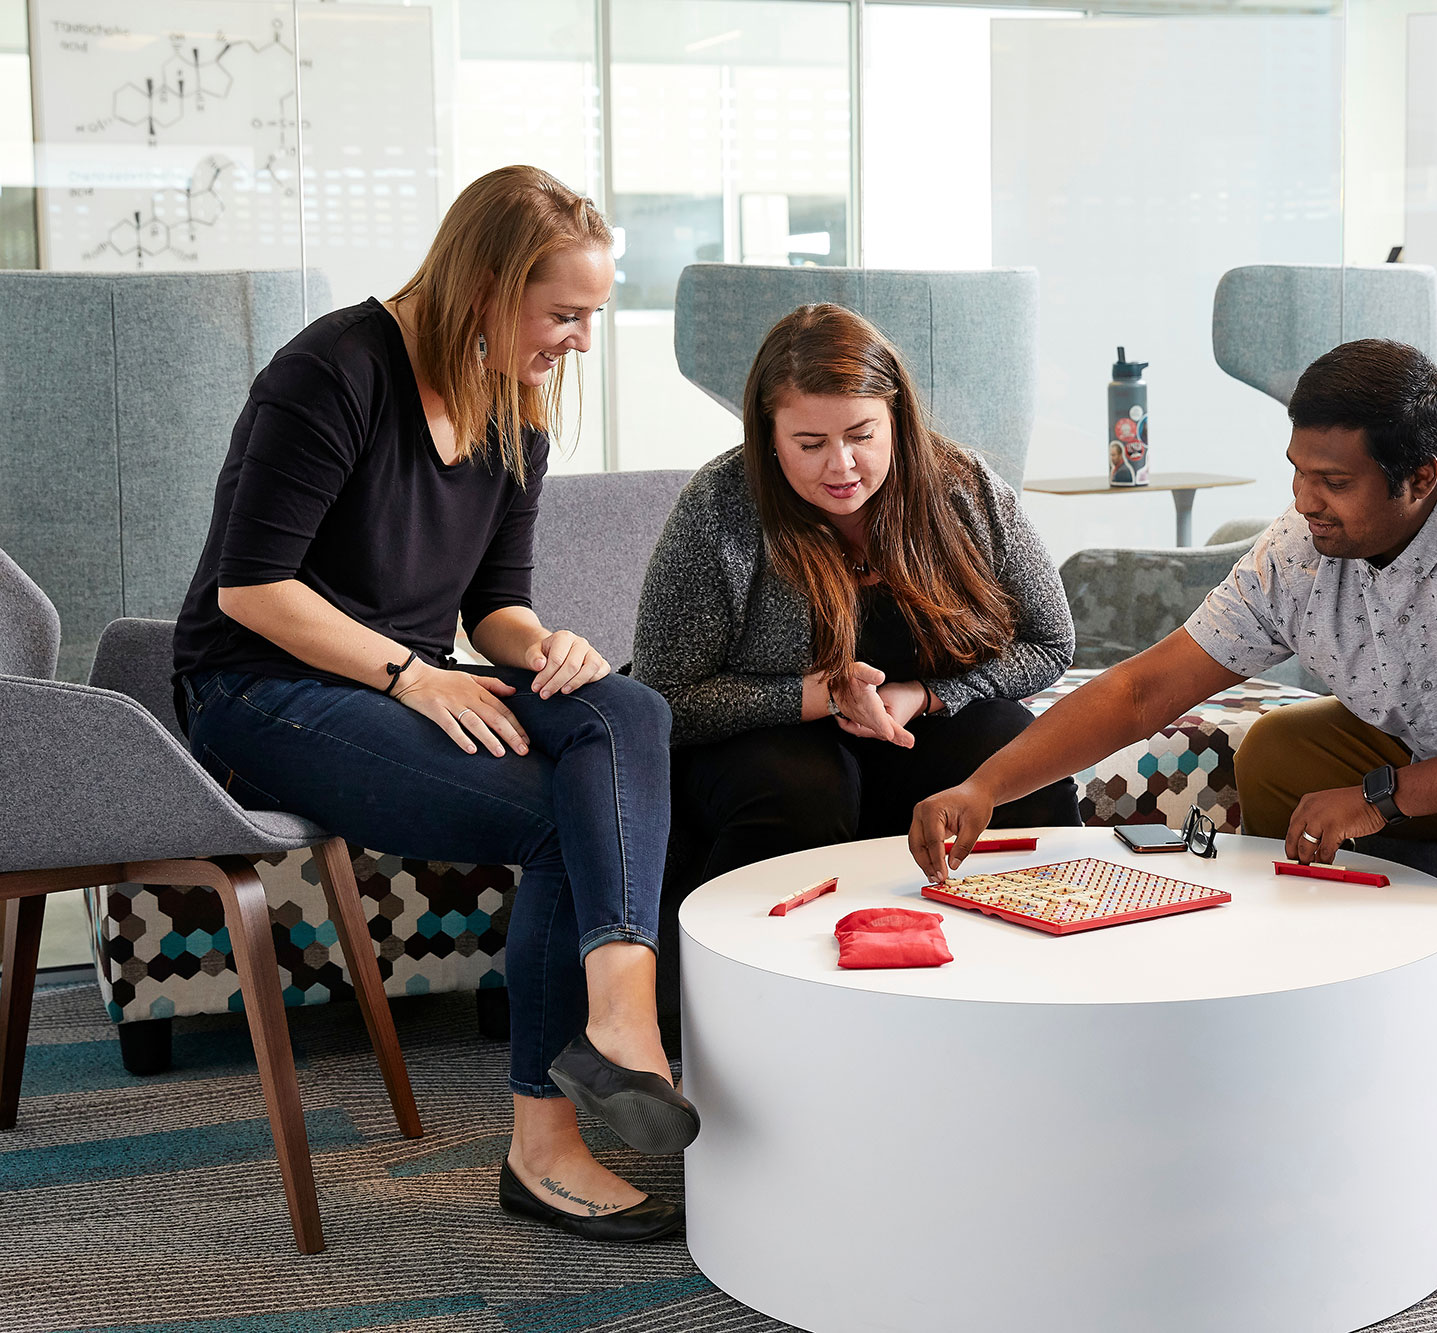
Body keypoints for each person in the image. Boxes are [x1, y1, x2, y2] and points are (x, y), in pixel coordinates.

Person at [909, 338, 1437, 1223]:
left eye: (1333, 480)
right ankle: (1321, 1040)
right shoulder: (1300, 551)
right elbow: (1144, 689)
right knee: (1278, 753)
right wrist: (986, 783)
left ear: (1420, 476)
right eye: (1296, 471)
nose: (1303, 500)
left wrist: (1383, 796)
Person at [173, 165, 694, 1244]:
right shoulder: (332, 372)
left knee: (625, 712)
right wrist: (415, 675)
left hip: (400, 688)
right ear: (487, 284)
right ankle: (544, 1144)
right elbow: (251, 588)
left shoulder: (516, 409)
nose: (579, 341)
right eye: (564, 314)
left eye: (590, 315)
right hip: (258, 691)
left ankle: (620, 1014)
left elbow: (492, 607)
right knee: (563, 815)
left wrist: (545, 649)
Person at [631, 302, 1080, 889]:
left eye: (862, 436)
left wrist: (928, 695)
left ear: (895, 418)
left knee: (1016, 756)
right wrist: (818, 696)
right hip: (762, 744)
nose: (841, 467)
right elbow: (661, 701)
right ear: (768, 436)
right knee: (804, 791)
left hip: (920, 722)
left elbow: (1050, 641)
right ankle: (749, 970)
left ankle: (1038, 946)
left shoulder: (963, 489)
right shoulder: (718, 507)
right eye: (810, 443)